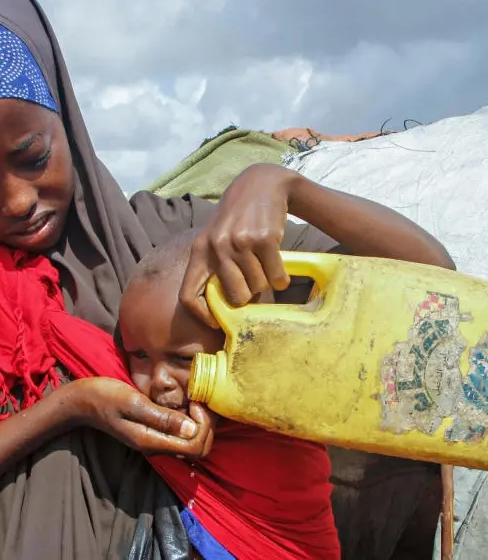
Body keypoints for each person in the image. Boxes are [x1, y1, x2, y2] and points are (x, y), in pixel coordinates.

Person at [0, 0, 455, 559]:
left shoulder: (172, 240)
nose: (17, 199)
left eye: (32, 155)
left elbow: (428, 280)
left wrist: (285, 186)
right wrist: (62, 410)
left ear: (65, 119)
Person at [116, 228, 339, 560]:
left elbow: (427, 263)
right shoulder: (135, 420)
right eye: (140, 356)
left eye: (184, 358)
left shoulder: (282, 422)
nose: (159, 380)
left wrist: (288, 187)